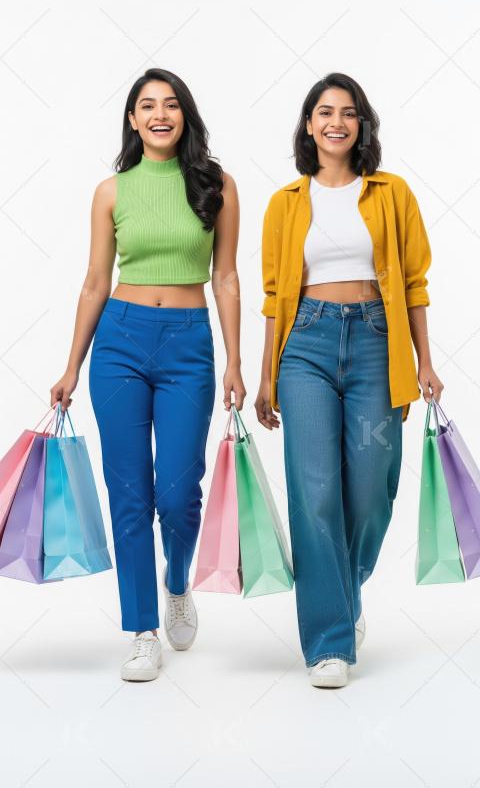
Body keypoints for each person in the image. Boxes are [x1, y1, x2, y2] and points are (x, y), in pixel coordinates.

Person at [50, 68, 246, 682]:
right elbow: (93, 282)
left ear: (184, 115)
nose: (159, 114)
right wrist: (71, 365)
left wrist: (236, 359)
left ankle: (177, 582)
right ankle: (141, 630)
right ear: (133, 120)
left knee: (179, 495)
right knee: (130, 493)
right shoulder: (112, 192)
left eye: (170, 104)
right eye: (146, 106)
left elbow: (227, 278)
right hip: (120, 344)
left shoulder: (216, 184)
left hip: (190, 344)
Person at [255, 72, 443, 689]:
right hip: (304, 344)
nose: (337, 121)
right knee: (314, 496)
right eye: (325, 111)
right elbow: (275, 296)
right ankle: (330, 641)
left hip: (374, 344)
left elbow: (413, 285)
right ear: (309, 125)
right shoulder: (285, 202)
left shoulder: (391, 193)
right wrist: (265, 377)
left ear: (361, 125)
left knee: (370, 492)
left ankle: (343, 595)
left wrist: (424, 361)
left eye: (349, 112)